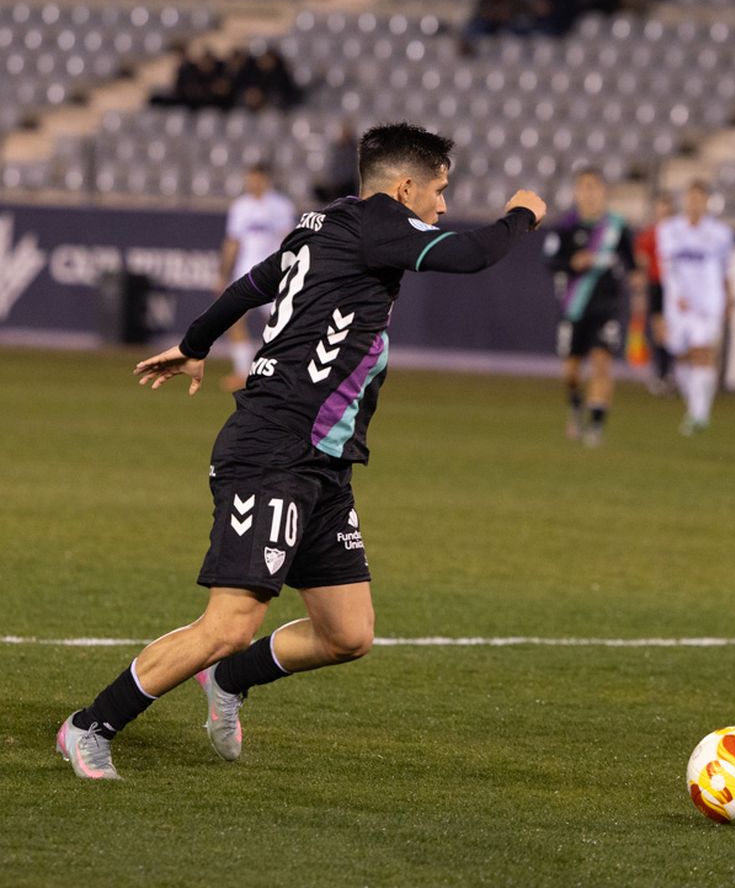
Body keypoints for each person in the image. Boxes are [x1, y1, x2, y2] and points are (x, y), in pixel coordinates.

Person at [55, 123, 545, 780]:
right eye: (440, 190)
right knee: (229, 620)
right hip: (274, 446)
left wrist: (196, 342)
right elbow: (472, 254)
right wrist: (523, 213)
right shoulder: (378, 223)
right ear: (404, 187)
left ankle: (229, 678)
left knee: (348, 634)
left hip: (323, 460)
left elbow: (254, 282)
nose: (444, 206)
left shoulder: (325, 224)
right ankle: (90, 724)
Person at [542, 168, 635, 447]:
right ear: (576, 192)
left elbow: (631, 263)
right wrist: (573, 263)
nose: (589, 193)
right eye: (583, 187)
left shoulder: (617, 228)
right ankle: (575, 403)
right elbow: (550, 261)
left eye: (594, 187)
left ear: (603, 191)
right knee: (571, 370)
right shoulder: (566, 227)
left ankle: (595, 426)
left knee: (601, 362)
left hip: (607, 306)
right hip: (574, 307)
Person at [657, 180, 733, 435]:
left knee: (702, 351)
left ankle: (699, 414)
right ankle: (694, 406)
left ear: (707, 201)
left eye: (699, 198)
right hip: (677, 305)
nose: (694, 202)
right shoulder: (668, 230)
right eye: (691, 197)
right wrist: (669, 300)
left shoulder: (721, 233)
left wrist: (729, 299)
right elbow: (666, 269)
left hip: (707, 302)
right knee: (681, 355)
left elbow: (726, 271)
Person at [215, 162, 297, 389]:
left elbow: (288, 240)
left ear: (265, 179)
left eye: (255, 179)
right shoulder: (240, 206)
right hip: (244, 272)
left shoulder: (280, 206)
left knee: (277, 324)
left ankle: (279, 372)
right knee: (234, 320)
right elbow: (232, 242)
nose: (251, 183)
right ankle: (242, 371)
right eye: (249, 179)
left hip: (272, 274)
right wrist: (223, 274)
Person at [633, 190, 677, 394]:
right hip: (657, 284)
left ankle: (670, 372)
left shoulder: (679, 232)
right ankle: (662, 372)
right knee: (660, 329)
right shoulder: (649, 234)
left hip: (676, 286)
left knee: (673, 330)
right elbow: (641, 262)